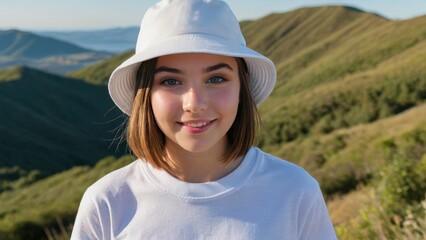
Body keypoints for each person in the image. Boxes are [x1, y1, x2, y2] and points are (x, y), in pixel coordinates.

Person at [71, 0, 337, 239]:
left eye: (216, 79)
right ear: (146, 95)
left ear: (241, 89)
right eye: (171, 81)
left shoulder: (295, 191)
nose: (195, 103)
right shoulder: (108, 202)